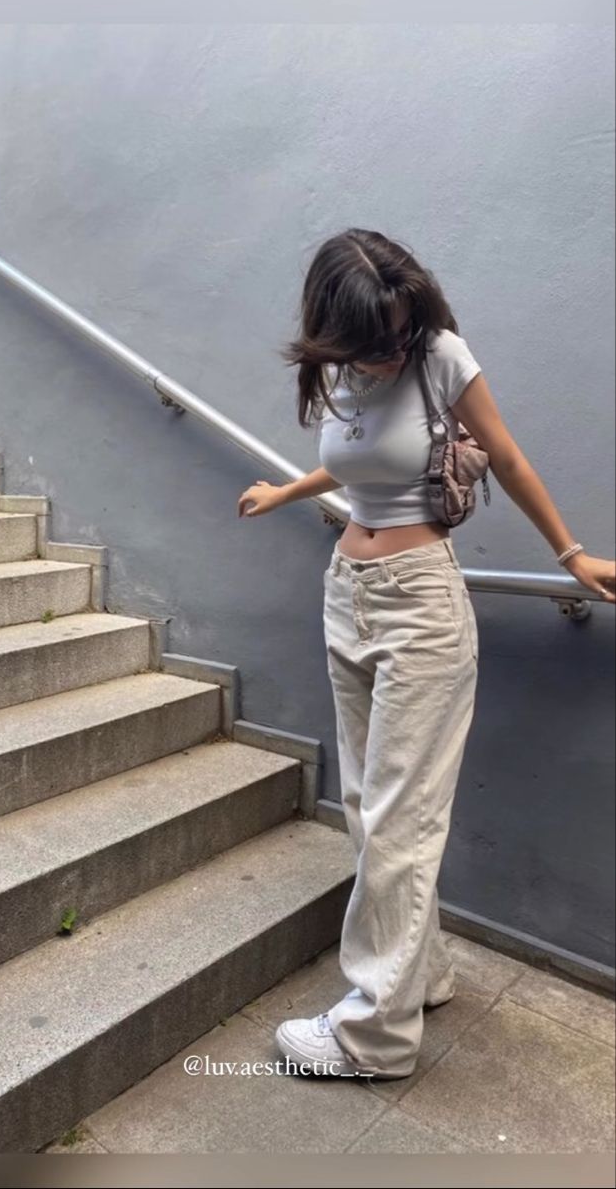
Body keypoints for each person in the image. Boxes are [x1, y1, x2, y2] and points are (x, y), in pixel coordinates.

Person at [237, 228, 616, 1080]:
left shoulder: (439, 353)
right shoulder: (340, 368)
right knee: (369, 806)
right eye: (375, 339)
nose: (390, 351)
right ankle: (422, 974)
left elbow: (507, 456)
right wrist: (287, 489)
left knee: (402, 821)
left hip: (420, 605)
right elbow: (351, 463)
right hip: (347, 592)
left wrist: (570, 555)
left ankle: (372, 1037)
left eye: (401, 333)